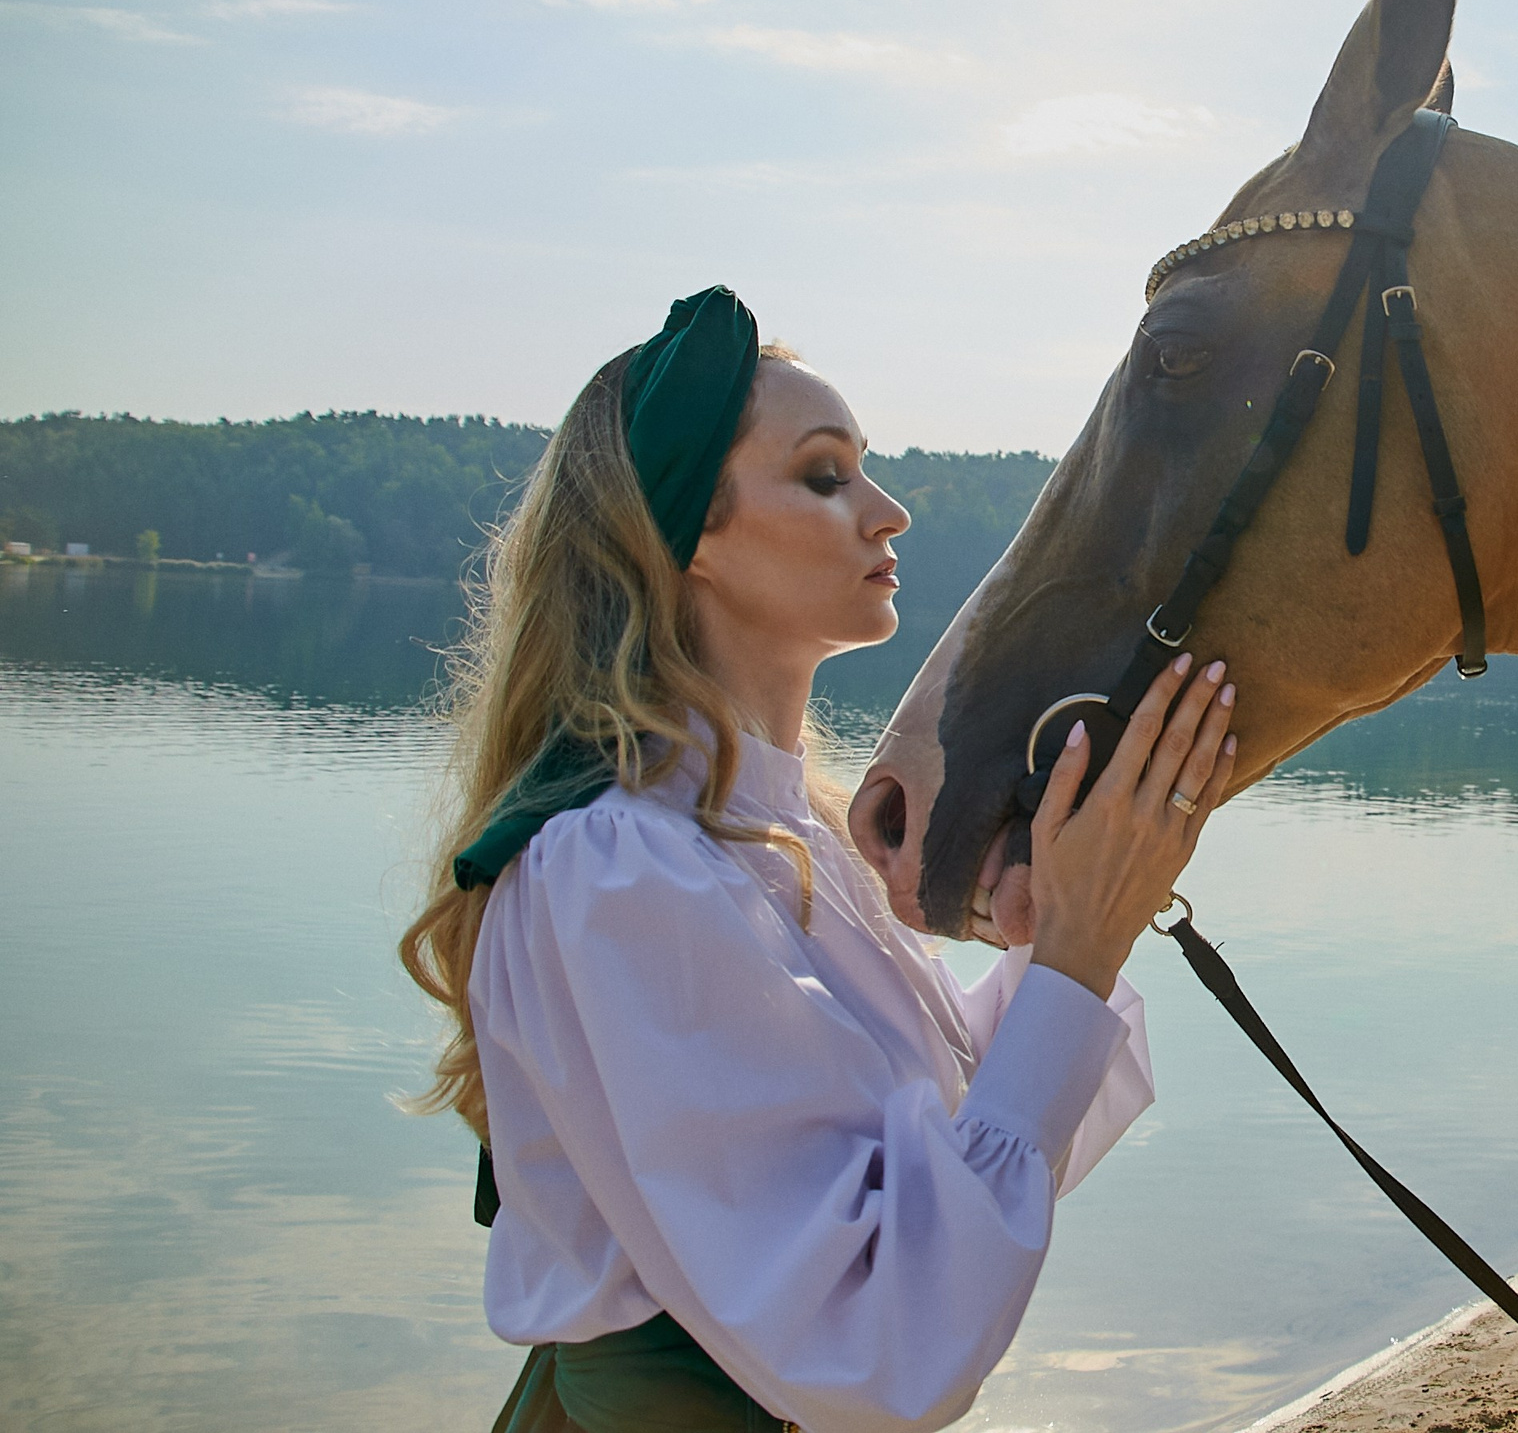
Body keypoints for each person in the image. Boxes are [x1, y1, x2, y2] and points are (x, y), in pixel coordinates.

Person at [399, 287, 1236, 1431]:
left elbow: (946, 1180)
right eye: (825, 476)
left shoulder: (786, 843)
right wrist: (1077, 960)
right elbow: (885, 1338)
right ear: (687, 531)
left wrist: (1070, 931)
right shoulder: (617, 866)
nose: (888, 511)